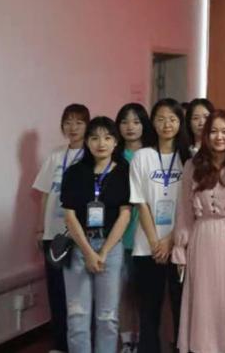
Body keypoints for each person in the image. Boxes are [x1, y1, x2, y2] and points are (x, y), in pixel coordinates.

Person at [172, 110, 225, 353]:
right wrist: (180, 249)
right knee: (204, 300)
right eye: (213, 131)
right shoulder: (193, 165)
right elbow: (184, 211)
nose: (219, 137)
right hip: (202, 238)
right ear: (205, 135)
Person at [60, 116, 132, 353]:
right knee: (77, 317)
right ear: (87, 142)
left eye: (107, 138)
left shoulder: (124, 172)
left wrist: (103, 251)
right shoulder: (74, 172)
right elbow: (69, 216)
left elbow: (125, 215)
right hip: (79, 247)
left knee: (107, 317)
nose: (101, 143)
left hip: (111, 248)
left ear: (115, 142)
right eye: (95, 138)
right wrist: (89, 252)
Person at [131, 98, 190, 353]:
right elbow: (140, 201)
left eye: (173, 119)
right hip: (147, 246)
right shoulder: (142, 156)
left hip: (180, 246)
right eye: (161, 119)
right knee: (148, 310)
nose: (167, 124)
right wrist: (156, 241)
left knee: (181, 308)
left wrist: (170, 240)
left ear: (180, 123)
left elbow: (190, 205)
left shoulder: (189, 158)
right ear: (152, 123)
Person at [32, 103, 89, 353]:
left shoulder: (91, 155)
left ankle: (81, 345)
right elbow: (45, 194)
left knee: (79, 294)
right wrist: (39, 228)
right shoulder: (56, 155)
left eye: (78, 122)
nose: (72, 127)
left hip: (80, 236)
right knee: (56, 291)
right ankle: (60, 345)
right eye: (68, 122)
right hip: (53, 234)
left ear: (87, 126)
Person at [115, 103, 151, 352]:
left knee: (146, 294)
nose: (130, 127)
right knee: (123, 292)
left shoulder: (153, 154)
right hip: (120, 234)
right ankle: (128, 341)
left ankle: (146, 339)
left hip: (148, 233)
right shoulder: (113, 155)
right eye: (125, 122)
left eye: (136, 122)